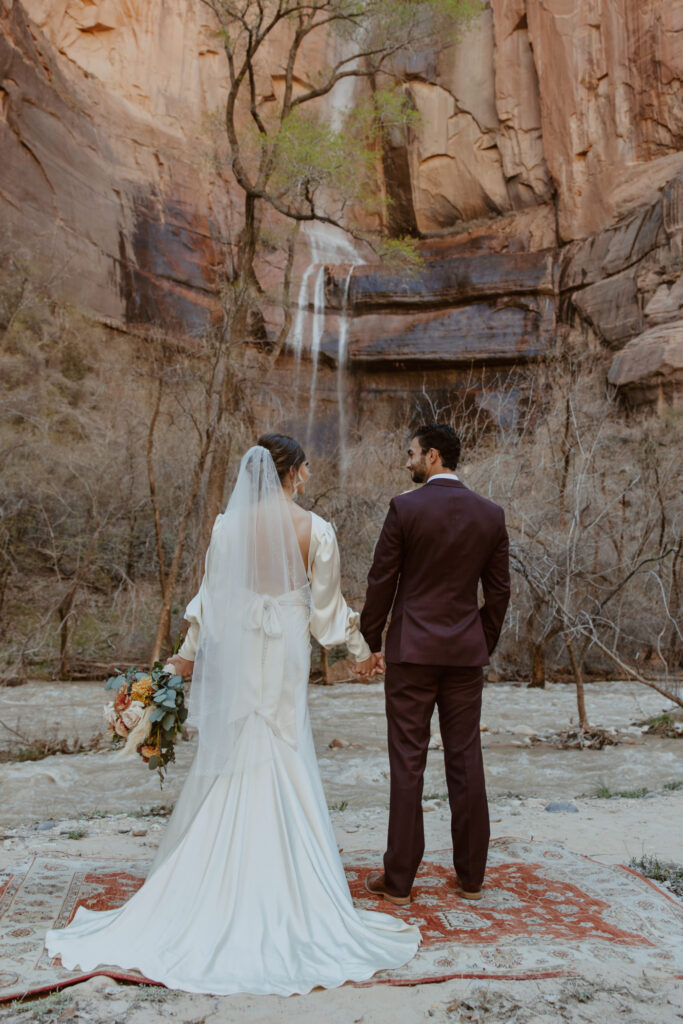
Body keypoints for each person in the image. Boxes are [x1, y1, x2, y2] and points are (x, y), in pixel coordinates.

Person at [45, 435, 420, 995]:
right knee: (285, 743)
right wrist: (364, 654)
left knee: (243, 740)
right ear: (292, 473)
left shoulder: (226, 528)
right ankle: (292, 892)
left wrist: (185, 658)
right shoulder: (315, 530)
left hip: (243, 648)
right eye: (306, 469)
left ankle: (209, 884)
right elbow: (326, 616)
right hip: (287, 651)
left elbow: (210, 603)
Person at [358, 423, 510, 906]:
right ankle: (471, 877)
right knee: (466, 758)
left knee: (408, 761)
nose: (407, 462)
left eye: (411, 453)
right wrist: (477, 641)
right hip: (465, 654)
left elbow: (382, 578)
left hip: (410, 652)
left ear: (434, 456)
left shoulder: (405, 507)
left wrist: (370, 639)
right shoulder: (490, 514)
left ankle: (399, 881)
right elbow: (500, 591)